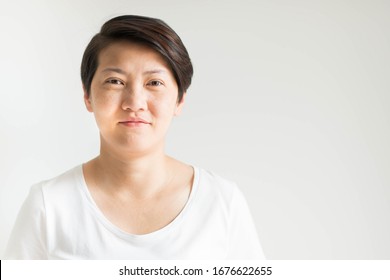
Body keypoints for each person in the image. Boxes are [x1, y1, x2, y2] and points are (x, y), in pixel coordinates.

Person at [4, 15, 265, 259]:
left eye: (154, 83)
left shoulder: (220, 201)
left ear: (180, 100)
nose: (135, 102)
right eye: (115, 81)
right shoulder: (49, 205)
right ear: (87, 95)